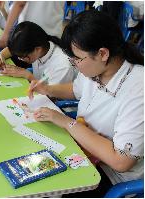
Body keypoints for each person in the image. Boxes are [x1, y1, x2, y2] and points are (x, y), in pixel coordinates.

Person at [28, 10, 143, 197]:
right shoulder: (95, 68)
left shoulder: (138, 89)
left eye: (77, 59)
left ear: (103, 53)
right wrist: (48, 90)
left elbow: (122, 161)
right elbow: (76, 89)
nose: (74, 64)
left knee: (42, 188)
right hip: (82, 150)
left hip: (108, 176)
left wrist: (66, 122)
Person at [0, 21, 76, 85]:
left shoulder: (62, 66)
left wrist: (28, 76)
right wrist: (0, 57)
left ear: (37, 49)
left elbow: (51, 97)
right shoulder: (42, 45)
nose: (20, 59)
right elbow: (11, 50)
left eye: (23, 56)